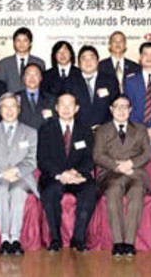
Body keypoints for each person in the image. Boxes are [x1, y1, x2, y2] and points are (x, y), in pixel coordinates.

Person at [37, 92, 96, 252]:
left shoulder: (85, 130)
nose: (66, 108)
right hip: (53, 176)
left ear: (76, 108)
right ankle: (55, 239)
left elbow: (89, 158)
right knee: (51, 191)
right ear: (56, 107)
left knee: (90, 190)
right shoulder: (46, 129)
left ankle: (78, 239)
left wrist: (74, 172)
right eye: (62, 104)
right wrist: (61, 174)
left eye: (70, 105)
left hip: (77, 176)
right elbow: (43, 159)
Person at [94, 95, 151, 257]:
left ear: (130, 110)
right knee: (113, 189)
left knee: (137, 189)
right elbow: (98, 155)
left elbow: (147, 154)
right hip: (111, 173)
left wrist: (131, 164)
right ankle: (118, 242)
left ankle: (129, 242)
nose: (121, 110)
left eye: (125, 106)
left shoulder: (140, 129)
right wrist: (118, 166)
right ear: (111, 109)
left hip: (135, 173)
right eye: (117, 106)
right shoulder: (102, 130)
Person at [0, 93, 39, 255]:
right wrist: (1, 173)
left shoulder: (30, 132)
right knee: (0, 189)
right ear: (0, 110)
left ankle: (16, 239)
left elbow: (31, 160)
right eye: (5, 106)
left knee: (17, 191)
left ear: (19, 109)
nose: (9, 110)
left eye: (13, 106)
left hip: (22, 176)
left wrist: (16, 171)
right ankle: (4, 239)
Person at [65, 45, 120, 129]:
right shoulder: (70, 82)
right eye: (84, 58)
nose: (88, 61)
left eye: (91, 57)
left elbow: (116, 105)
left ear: (98, 61)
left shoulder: (110, 80)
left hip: (106, 130)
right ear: (79, 63)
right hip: (79, 130)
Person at [0, 27, 46, 93]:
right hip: (10, 101)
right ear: (14, 43)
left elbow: (42, 87)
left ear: (30, 43)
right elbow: (0, 87)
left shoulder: (39, 63)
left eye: (25, 40)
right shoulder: (4, 63)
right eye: (18, 40)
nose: (21, 44)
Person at [16, 63, 56, 129]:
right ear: (23, 78)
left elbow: (54, 122)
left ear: (41, 78)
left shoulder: (51, 99)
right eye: (28, 74)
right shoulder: (15, 98)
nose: (32, 78)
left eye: (35, 74)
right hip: (22, 138)